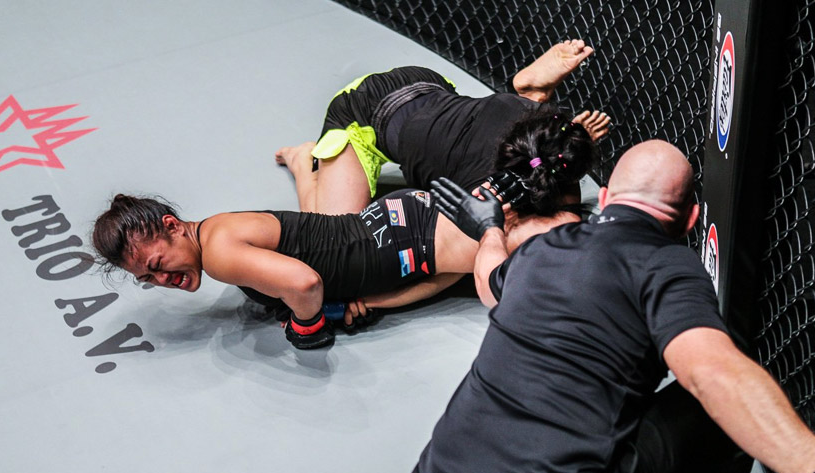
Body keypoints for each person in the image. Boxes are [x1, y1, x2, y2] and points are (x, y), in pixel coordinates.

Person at [399, 139, 815, 473]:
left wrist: (489, 226)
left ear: (605, 197)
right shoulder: (668, 266)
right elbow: (713, 375)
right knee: (717, 418)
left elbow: (491, 282)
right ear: (691, 219)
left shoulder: (541, 251)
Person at [92, 108, 598, 350]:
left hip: (409, 238)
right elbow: (435, 277)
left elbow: (304, 285)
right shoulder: (218, 231)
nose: (163, 281)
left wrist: (306, 326)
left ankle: (560, 138)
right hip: (397, 229)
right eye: (149, 280)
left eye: (157, 266)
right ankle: (554, 140)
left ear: (172, 226)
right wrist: (367, 303)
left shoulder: (220, 252)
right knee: (496, 225)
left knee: (549, 254)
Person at [275, 39, 610, 215]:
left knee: (516, 124)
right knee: (334, 232)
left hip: (429, 85)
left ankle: (528, 94)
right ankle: (303, 162)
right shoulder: (483, 192)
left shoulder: (535, 137)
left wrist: (570, 137)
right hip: (363, 110)